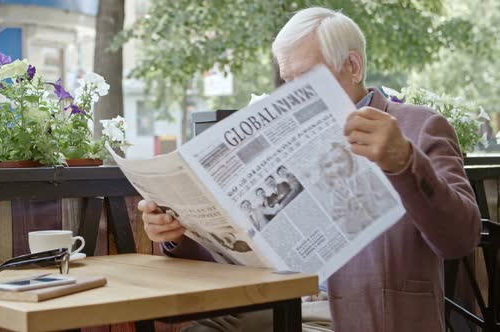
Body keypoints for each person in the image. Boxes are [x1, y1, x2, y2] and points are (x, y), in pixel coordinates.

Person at [138, 7, 480, 332]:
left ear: (353, 66)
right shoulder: (277, 142)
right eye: (288, 81)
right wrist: (179, 235)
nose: (294, 92)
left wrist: (406, 163)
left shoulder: (419, 127)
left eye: (305, 77)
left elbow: (461, 241)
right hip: (277, 306)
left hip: (364, 315)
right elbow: (242, 253)